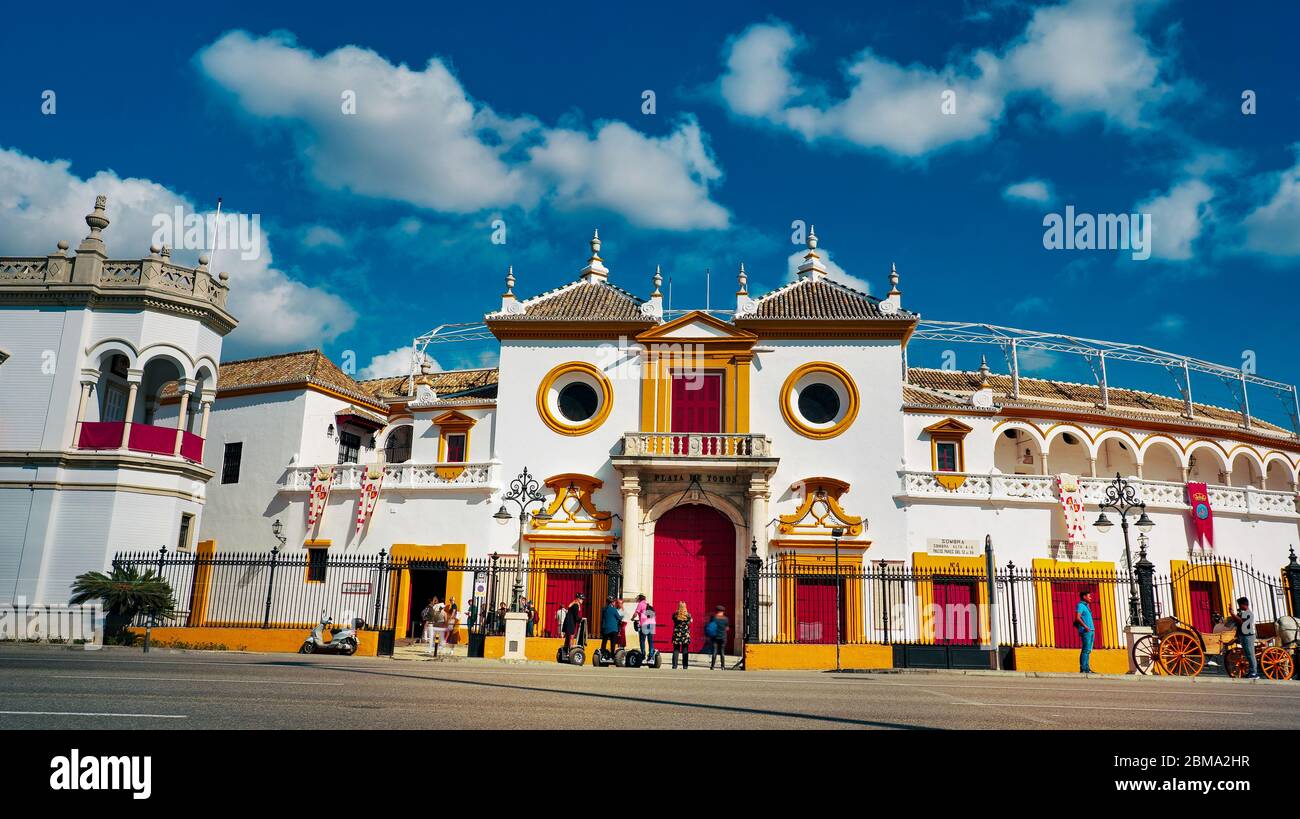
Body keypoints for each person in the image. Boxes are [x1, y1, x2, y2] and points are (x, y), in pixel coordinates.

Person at [1230, 597, 1259, 679]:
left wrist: (1232, 614)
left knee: (1250, 654)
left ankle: (1254, 673)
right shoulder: (1244, 613)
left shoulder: (1248, 613)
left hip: (1248, 636)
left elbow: (1241, 622)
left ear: (1244, 604)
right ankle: (1251, 671)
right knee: (1247, 654)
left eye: (1239, 605)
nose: (1239, 606)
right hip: (1244, 635)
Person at [1073, 590, 1094, 674]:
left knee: (1088, 650)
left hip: (1091, 630)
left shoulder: (1086, 606)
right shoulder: (1080, 605)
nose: (1090, 598)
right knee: (1085, 650)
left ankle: (1087, 668)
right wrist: (1085, 627)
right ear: (1084, 597)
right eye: (1089, 596)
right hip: (1086, 630)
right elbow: (1077, 617)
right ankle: (1083, 668)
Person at [600, 596, 623, 660]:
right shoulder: (614, 609)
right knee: (612, 643)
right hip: (613, 629)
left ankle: (603, 656)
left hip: (605, 628)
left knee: (604, 642)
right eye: (614, 602)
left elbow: (602, 619)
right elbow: (619, 618)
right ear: (612, 602)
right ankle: (612, 656)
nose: (614, 603)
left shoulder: (603, 609)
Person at [707, 606, 729, 670]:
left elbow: (710, 626)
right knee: (722, 652)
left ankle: (712, 666)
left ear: (717, 611)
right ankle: (723, 666)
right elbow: (727, 628)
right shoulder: (726, 619)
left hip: (715, 637)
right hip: (723, 637)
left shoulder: (713, 618)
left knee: (714, 651)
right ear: (723, 611)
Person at [671, 602, 692, 669]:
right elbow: (690, 621)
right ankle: (685, 666)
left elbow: (673, 620)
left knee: (676, 650)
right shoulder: (688, 615)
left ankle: (674, 665)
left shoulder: (675, 615)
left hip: (677, 635)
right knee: (685, 650)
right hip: (685, 635)